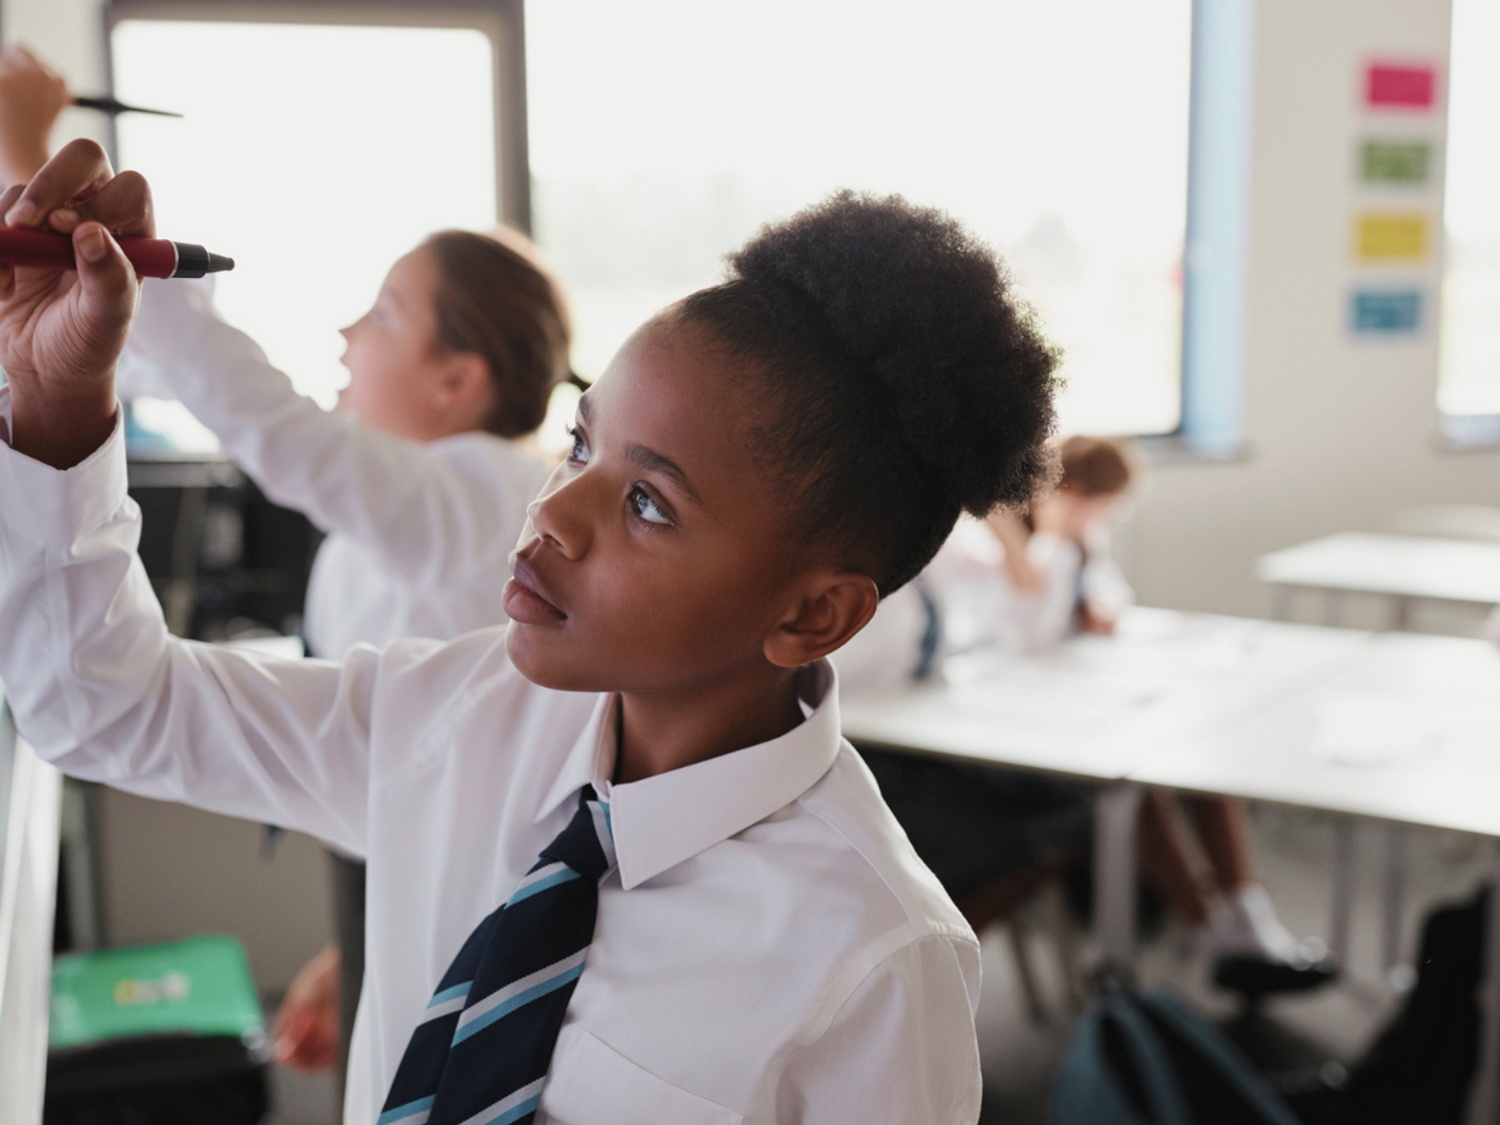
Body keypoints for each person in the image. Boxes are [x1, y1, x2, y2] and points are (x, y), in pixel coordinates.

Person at [0, 144, 1060, 1124]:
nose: (552, 514)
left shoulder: (871, 958)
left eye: (649, 504)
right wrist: (56, 405)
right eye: (580, 444)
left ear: (811, 615)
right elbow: (103, 708)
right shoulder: (455, 717)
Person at [0, 43, 573, 1085]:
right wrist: (344, 946)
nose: (348, 332)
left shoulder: (486, 491)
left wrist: (30, 155)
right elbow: (404, 769)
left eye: (386, 312)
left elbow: (278, 433)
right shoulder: (397, 526)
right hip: (410, 856)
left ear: (460, 378)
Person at [845, 435, 1334, 995]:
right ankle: (1209, 930)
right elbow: (1029, 621)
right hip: (943, 744)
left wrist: (1089, 586)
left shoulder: (1008, 543)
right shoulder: (966, 548)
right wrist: (1032, 531)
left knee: (1196, 773)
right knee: (1125, 792)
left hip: (1007, 711)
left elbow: (1102, 594)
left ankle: (1245, 923)